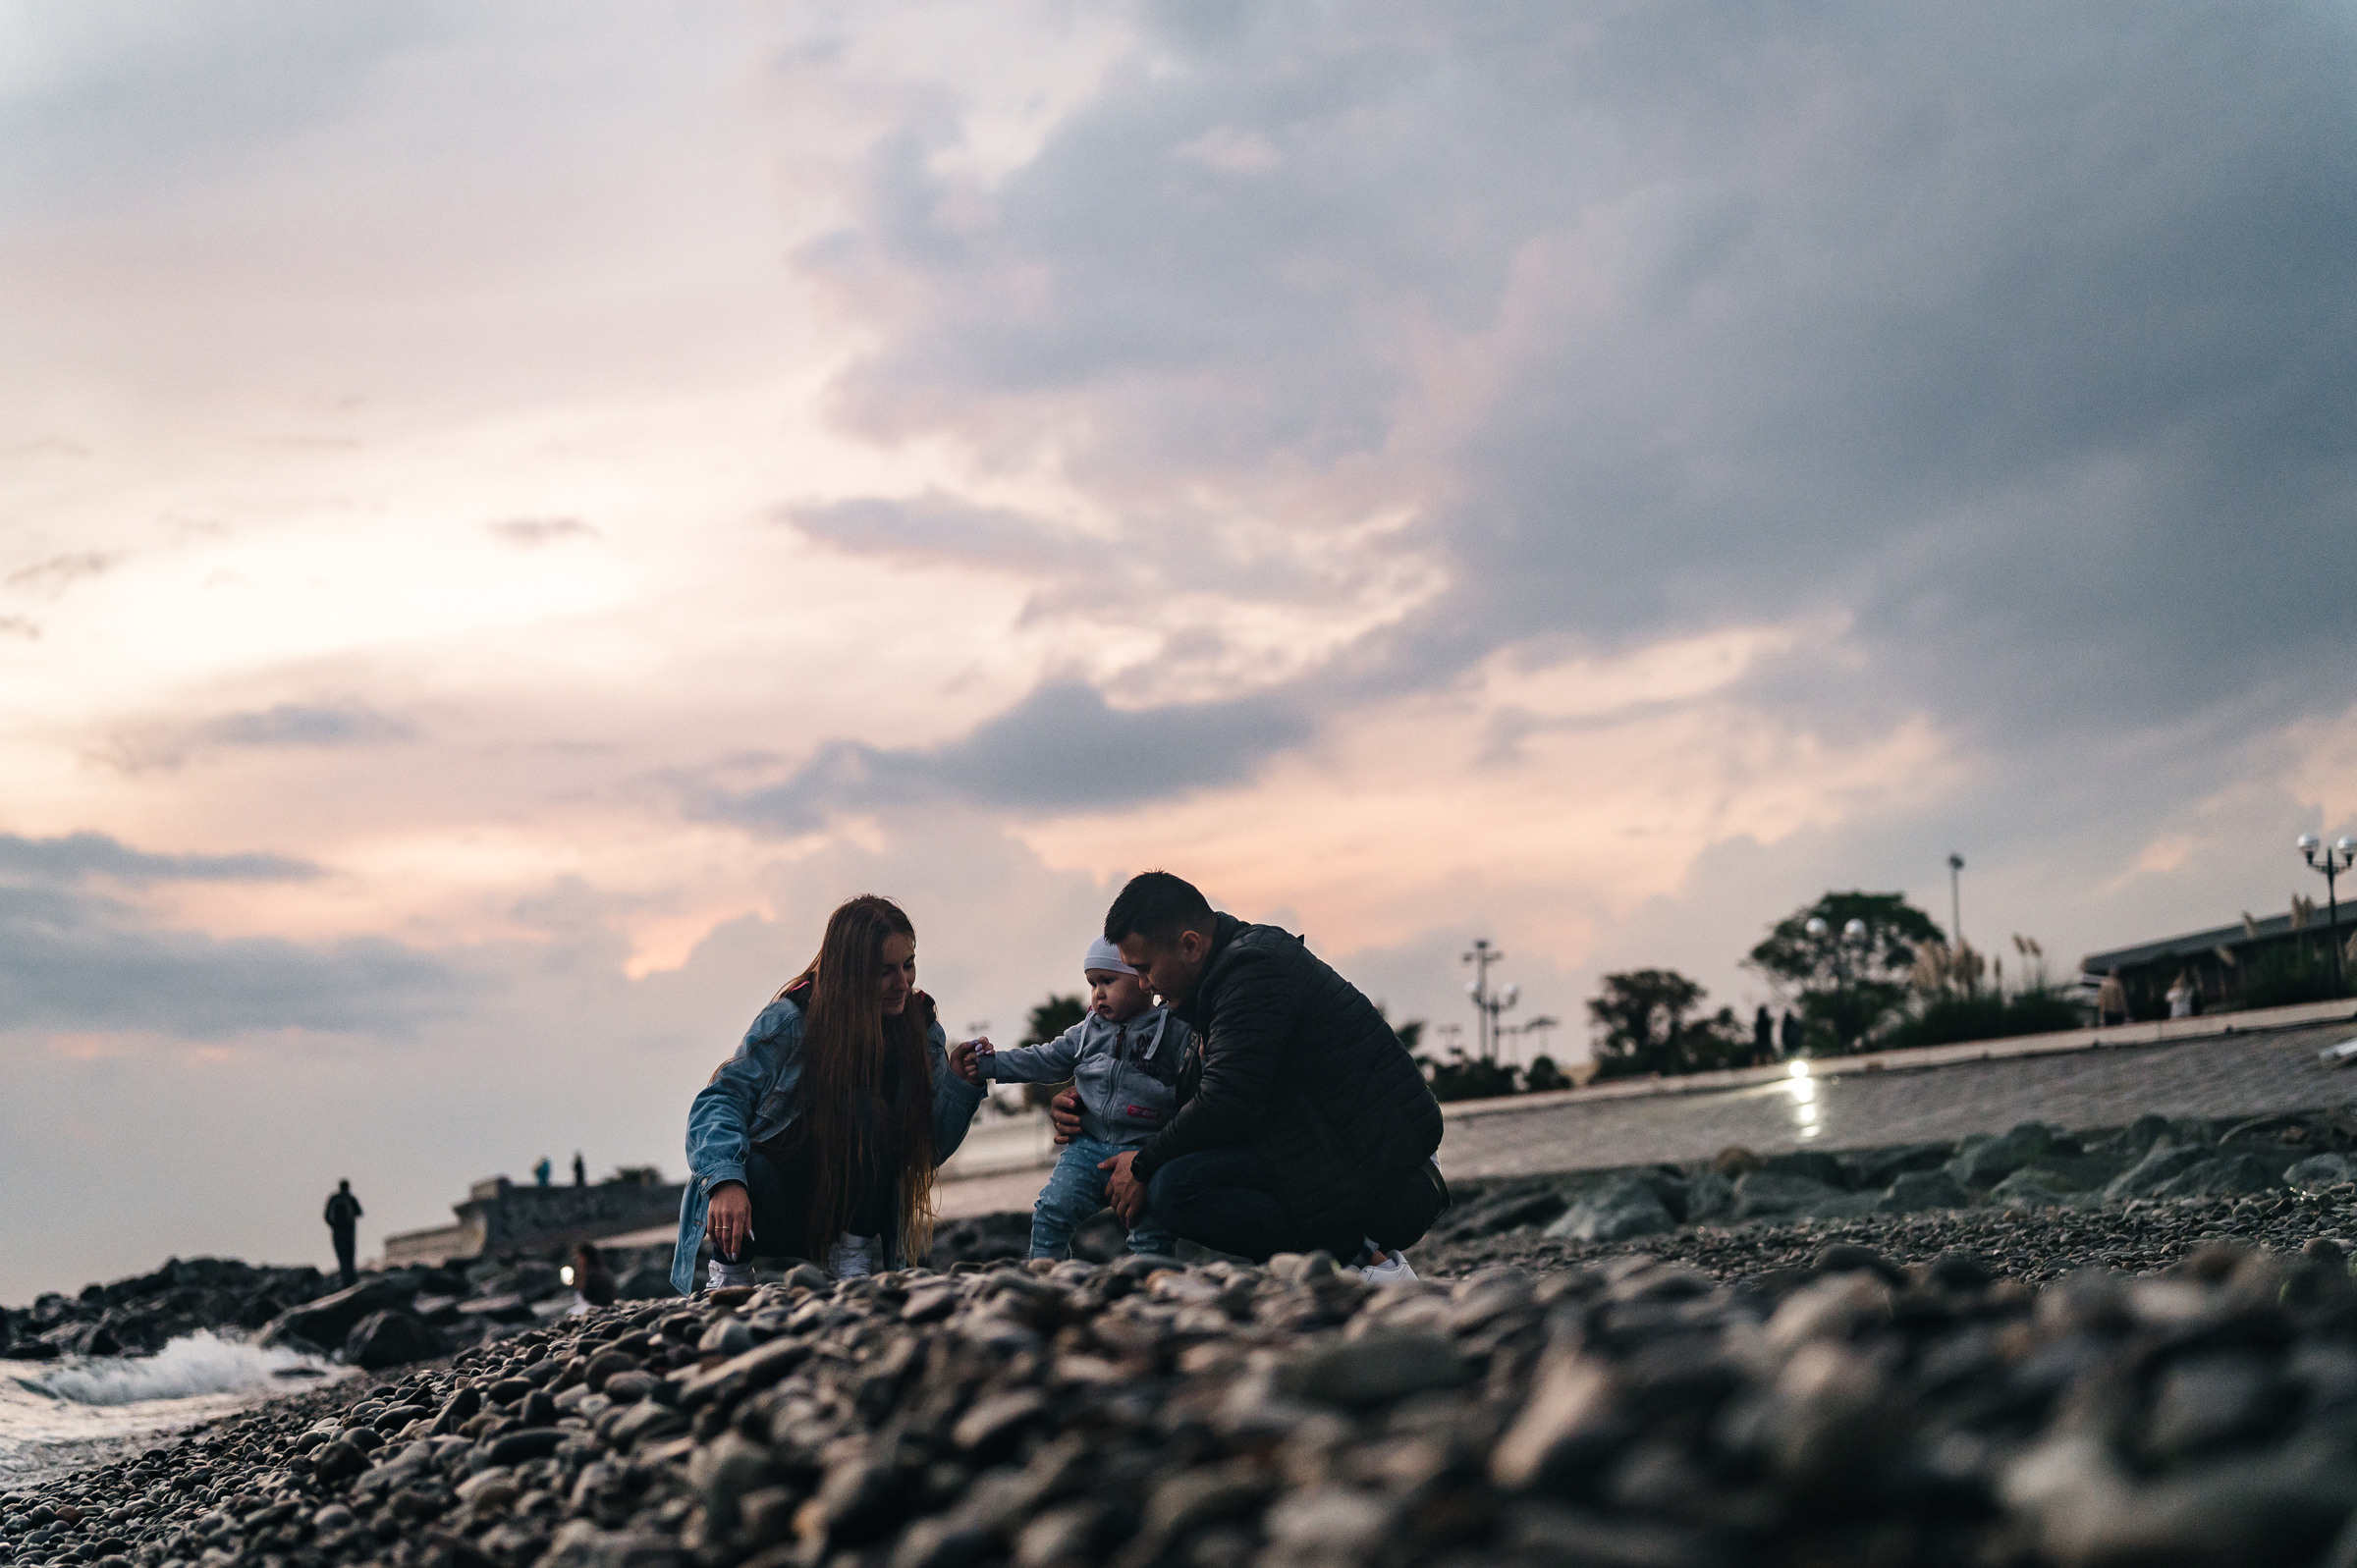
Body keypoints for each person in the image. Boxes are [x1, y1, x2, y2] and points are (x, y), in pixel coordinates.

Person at [1068, 871, 1447, 1281]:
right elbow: (1184, 1099)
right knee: (1174, 1174)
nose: (1144, 985)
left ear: (1190, 945)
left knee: (1177, 1188)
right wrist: (1087, 1104)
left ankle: (1363, 1263)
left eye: (1145, 969)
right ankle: (1341, 1259)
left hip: (1395, 1177)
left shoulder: (1254, 972)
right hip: (1332, 1156)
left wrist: (1143, 1164)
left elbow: (1227, 1102)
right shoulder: (1210, 991)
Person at [672, 894, 986, 1292]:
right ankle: (730, 1274)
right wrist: (725, 1182)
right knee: (743, 1167)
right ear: (850, 971)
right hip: (774, 1208)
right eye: (885, 971)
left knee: (866, 1108)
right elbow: (718, 1101)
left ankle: (852, 1263)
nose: (903, 982)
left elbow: (926, 1150)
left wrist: (960, 1086)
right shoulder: (792, 1020)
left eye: (908, 965)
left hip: (846, 1218)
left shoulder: (919, 1033)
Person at [951, 939, 1186, 1260]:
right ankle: (1046, 1274)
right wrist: (990, 1065)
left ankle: (1154, 1277)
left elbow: (1194, 1083)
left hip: (1146, 1147)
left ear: (1143, 980)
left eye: (1108, 981)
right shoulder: (1085, 1033)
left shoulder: (1174, 1028)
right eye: (1092, 984)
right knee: (1051, 1210)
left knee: (1150, 1228)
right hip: (1087, 1147)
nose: (1098, 993)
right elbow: (1044, 1058)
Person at [323, 1180, 362, 1288]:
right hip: (349, 1232)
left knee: (342, 1257)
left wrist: (334, 1226)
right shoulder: (350, 1198)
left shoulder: (333, 1199)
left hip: (337, 1232)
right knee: (350, 1256)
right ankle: (352, 1279)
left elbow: (326, 1216)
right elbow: (359, 1212)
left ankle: (346, 1280)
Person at [571, 1243, 617, 1309]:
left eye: (579, 1258)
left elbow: (586, 1294)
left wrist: (580, 1274)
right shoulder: (601, 1270)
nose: (578, 1261)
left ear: (585, 1257)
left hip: (599, 1306)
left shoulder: (593, 1274)